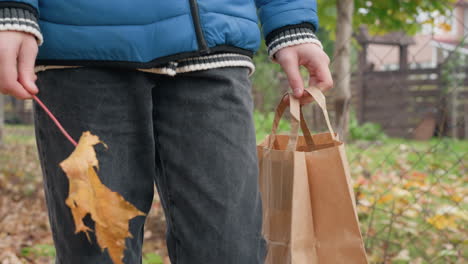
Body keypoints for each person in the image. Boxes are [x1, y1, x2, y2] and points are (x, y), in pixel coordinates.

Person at [0, 0, 333, 263]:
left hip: (212, 46)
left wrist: (292, 21)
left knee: (230, 249)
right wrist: (12, 9)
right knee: (100, 250)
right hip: (83, 48)